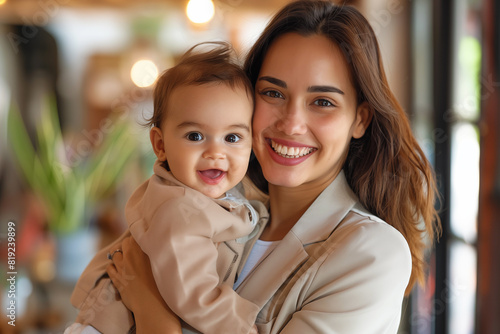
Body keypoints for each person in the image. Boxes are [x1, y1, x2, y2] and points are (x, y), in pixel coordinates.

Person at [108, 1, 441, 333]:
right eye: (273, 93)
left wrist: (150, 306)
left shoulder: (371, 252)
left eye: (322, 102)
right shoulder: (219, 209)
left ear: (360, 119)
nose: (292, 123)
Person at [65, 42, 265, 334]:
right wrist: (244, 328)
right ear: (160, 145)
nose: (215, 152)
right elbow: (196, 297)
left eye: (232, 138)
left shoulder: (189, 194)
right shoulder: (180, 210)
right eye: (195, 136)